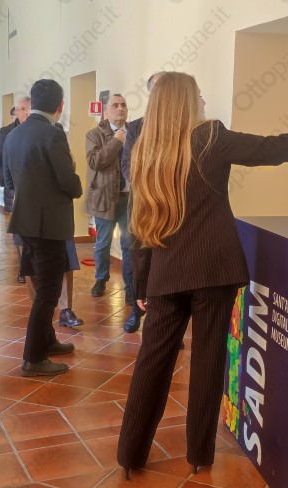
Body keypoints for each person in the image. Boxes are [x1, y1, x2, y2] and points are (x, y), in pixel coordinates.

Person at [117, 72, 288, 477]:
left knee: (152, 360)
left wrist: (140, 284)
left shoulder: (144, 150)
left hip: (166, 270)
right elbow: (270, 150)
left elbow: (138, 225)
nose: (202, 100)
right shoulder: (210, 135)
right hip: (215, 267)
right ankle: (199, 455)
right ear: (186, 101)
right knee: (208, 361)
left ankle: (130, 455)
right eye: (197, 95)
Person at [4, 79, 82, 377]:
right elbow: (69, 182)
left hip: (25, 222)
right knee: (48, 292)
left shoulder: (14, 134)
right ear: (60, 105)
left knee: (44, 285)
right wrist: (76, 183)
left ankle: (47, 340)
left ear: (32, 103)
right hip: (50, 223)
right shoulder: (53, 134)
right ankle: (33, 358)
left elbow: (8, 181)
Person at [120, 73, 165, 333]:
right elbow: (127, 166)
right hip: (142, 205)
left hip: (171, 208)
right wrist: (152, 182)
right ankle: (136, 310)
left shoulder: (181, 126)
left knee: (165, 261)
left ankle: (166, 320)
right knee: (137, 257)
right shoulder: (137, 127)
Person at [85, 94, 134, 310]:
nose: (120, 108)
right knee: (103, 243)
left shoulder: (135, 133)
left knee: (129, 244)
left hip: (130, 198)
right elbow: (95, 161)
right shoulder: (94, 134)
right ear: (106, 112)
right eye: (115, 105)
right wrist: (116, 141)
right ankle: (101, 279)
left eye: (123, 105)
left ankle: (130, 287)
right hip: (105, 198)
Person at [0, 97, 30, 213]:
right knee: (16, 220)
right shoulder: (5, 133)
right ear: (16, 112)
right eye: (23, 109)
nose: (27, 113)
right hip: (13, 186)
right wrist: (6, 181)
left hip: (35, 187)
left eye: (29, 109)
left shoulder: (40, 130)